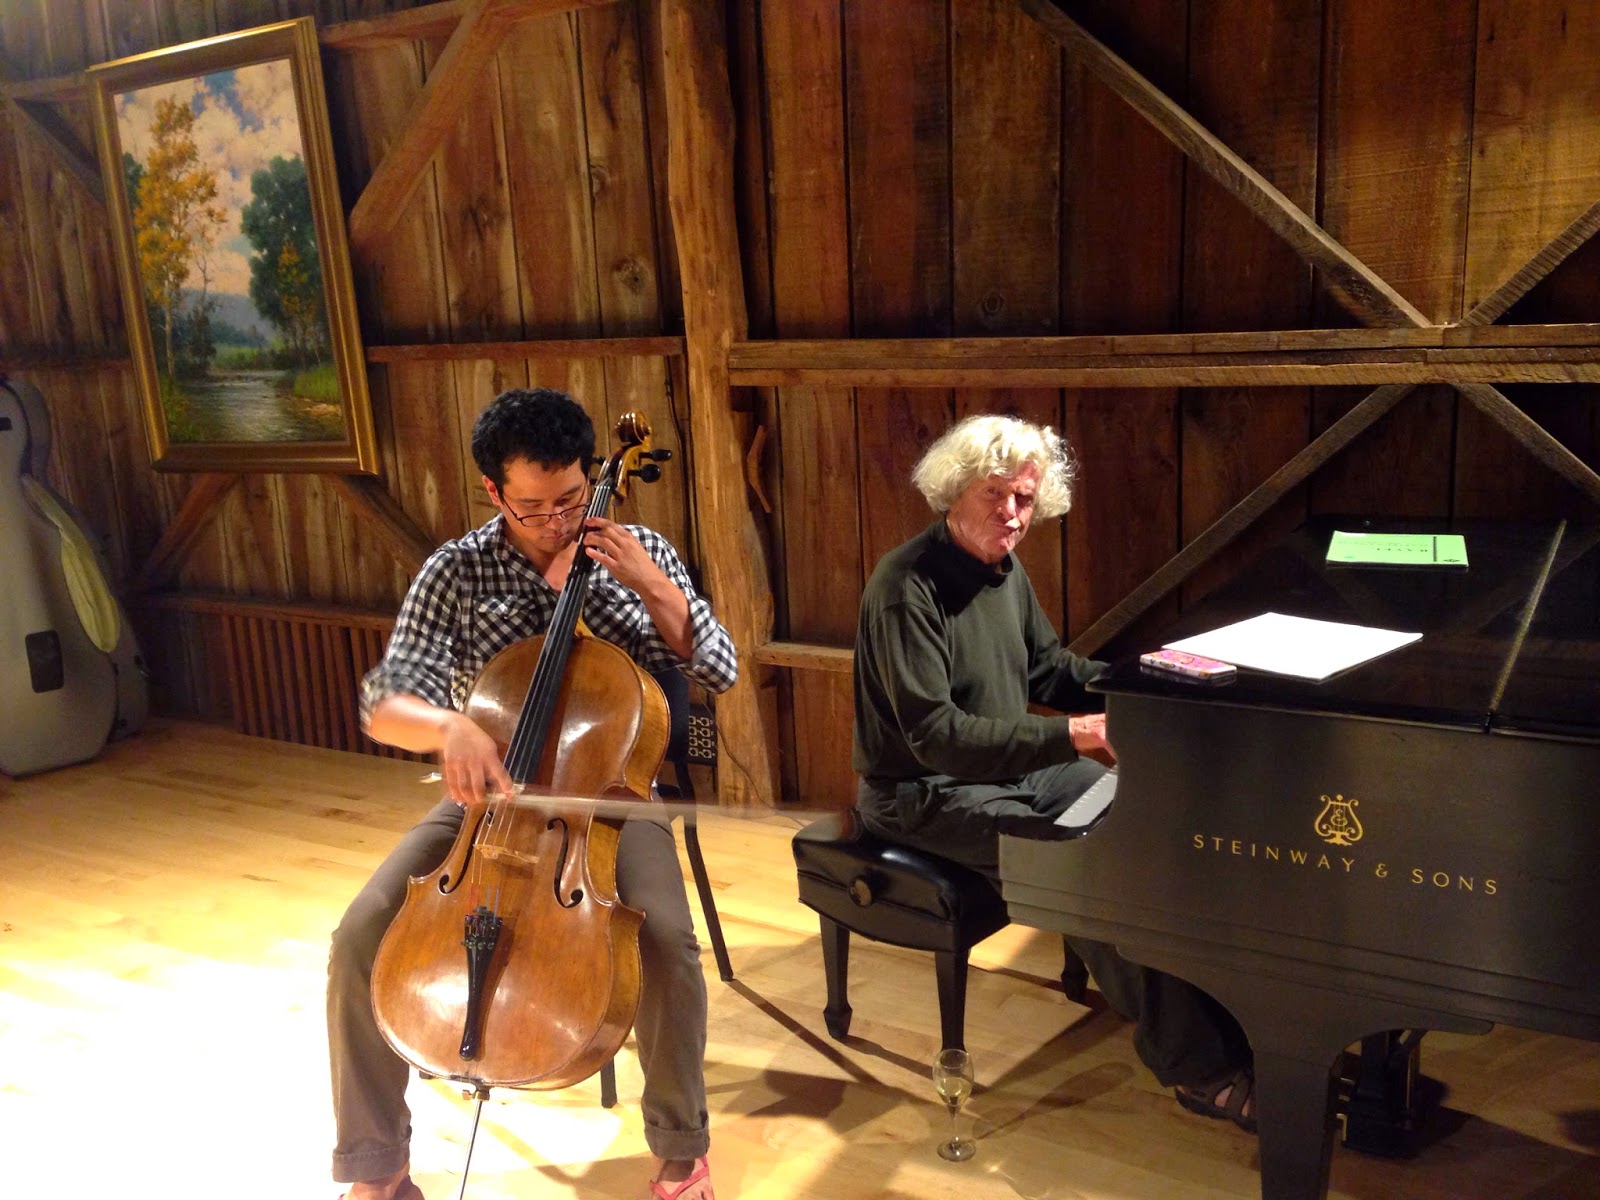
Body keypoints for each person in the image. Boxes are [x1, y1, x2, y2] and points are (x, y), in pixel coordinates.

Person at [327, 388, 730, 1200]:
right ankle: (377, 1169)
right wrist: (448, 726)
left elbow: (717, 668)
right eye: (533, 506)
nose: (556, 522)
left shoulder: (640, 549)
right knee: (358, 936)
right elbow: (382, 704)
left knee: (666, 945)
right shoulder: (457, 571)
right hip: (488, 806)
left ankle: (680, 1153)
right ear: (494, 491)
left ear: (591, 476)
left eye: (571, 499)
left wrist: (653, 585)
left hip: (609, 803)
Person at [851, 413, 1256, 1132]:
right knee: (1084, 867)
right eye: (995, 494)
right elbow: (937, 738)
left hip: (1008, 772)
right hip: (920, 793)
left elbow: (1048, 669)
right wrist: (1075, 734)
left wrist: (1146, 683)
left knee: (1144, 821)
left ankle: (1233, 1020)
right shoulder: (904, 588)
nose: (1012, 514)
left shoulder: (1002, 569)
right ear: (955, 489)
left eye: (1025, 499)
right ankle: (1199, 1068)